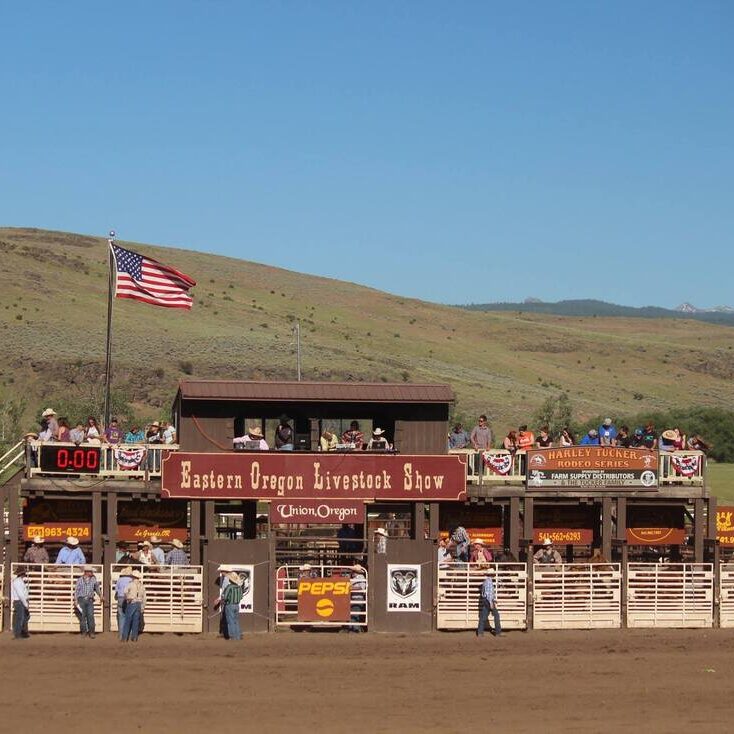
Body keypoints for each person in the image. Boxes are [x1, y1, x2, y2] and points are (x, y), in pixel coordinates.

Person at [74, 566, 103, 638]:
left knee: (90, 616)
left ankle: (91, 632)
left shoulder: (93, 579)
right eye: (90, 571)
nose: (92, 573)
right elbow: (76, 591)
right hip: (81, 599)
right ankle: (84, 632)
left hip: (90, 600)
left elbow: (97, 588)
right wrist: (75, 600)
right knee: (83, 617)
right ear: (86, 572)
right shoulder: (80, 580)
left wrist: (101, 595)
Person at [121, 569, 146, 642]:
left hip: (132, 603)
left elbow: (125, 592)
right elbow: (144, 598)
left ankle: (125, 638)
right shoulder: (142, 586)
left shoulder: (130, 584)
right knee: (136, 621)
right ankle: (134, 638)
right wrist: (143, 607)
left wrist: (127, 598)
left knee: (128, 620)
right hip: (139, 604)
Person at [476, 571, 502, 637]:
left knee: (483, 616)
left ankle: (480, 632)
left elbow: (485, 592)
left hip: (486, 600)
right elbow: (489, 593)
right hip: (489, 601)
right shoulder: (489, 582)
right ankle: (498, 632)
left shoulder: (485, 581)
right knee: (496, 615)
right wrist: (491, 602)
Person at [221, 570, 244, 640]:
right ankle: (238, 636)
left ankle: (233, 636)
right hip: (237, 605)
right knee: (236, 620)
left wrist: (223, 600)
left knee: (230, 621)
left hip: (229, 604)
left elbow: (225, 597)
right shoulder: (239, 587)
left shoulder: (229, 587)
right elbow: (241, 597)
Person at [114, 566, 135, 640]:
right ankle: (129, 635)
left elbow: (116, 591)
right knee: (129, 616)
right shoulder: (131, 580)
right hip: (129, 598)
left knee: (121, 616)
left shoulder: (119, 580)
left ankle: (121, 635)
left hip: (120, 598)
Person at [11, 567, 31, 639]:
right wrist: (25, 603)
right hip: (20, 601)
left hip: (20, 601)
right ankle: (18, 634)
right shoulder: (18, 582)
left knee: (23, 617)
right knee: (20, 618)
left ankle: (22, 633)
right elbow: (20, 594)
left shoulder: (19, 581)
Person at [348, 564, 367, 633]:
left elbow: (362, 587)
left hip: (357, 598)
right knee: (353, 614)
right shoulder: (354, 579)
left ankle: (355, 629)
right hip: (354, 598)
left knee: (354, 614)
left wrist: (351, 588)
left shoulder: (361, 577)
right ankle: (354, 628)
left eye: (352, 571)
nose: (351, 572)